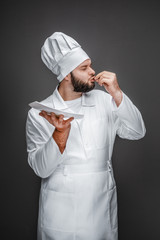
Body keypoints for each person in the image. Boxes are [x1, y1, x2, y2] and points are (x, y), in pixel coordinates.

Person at [25, 32, 146, 240]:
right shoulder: (40, 113)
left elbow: (137, 131)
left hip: (101, 210)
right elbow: (41, 169)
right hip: (59, 213)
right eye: (83, 68)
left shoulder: (104, 101)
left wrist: (117, 93)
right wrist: (59, 134)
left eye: (90, 65)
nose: (92, 71)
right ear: (65, 74)